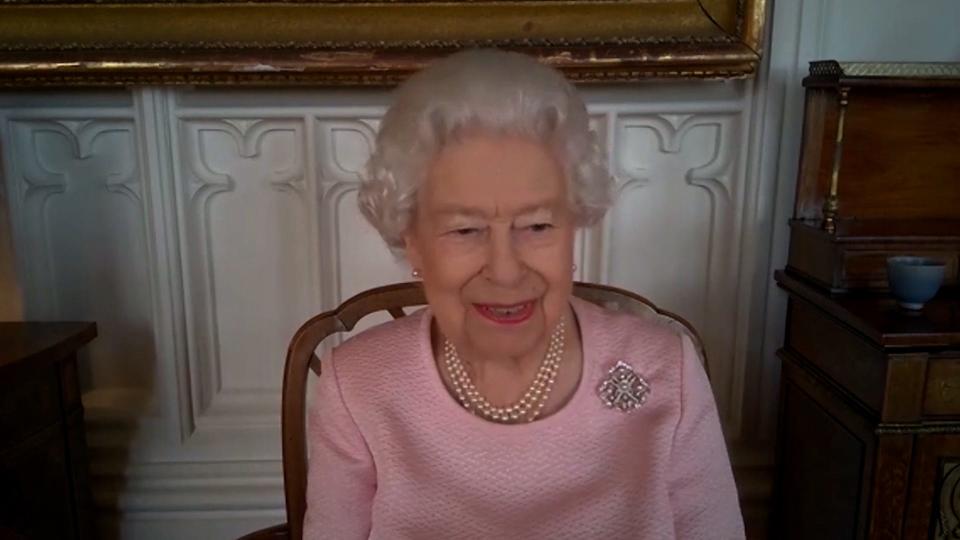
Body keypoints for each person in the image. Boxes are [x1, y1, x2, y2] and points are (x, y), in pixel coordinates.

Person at [303, 49, 744, 539]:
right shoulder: (358, 385)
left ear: (574, 223)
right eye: (465, 230)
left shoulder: (667, 369)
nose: (507, 271)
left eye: (537, 225)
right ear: (414, 243)